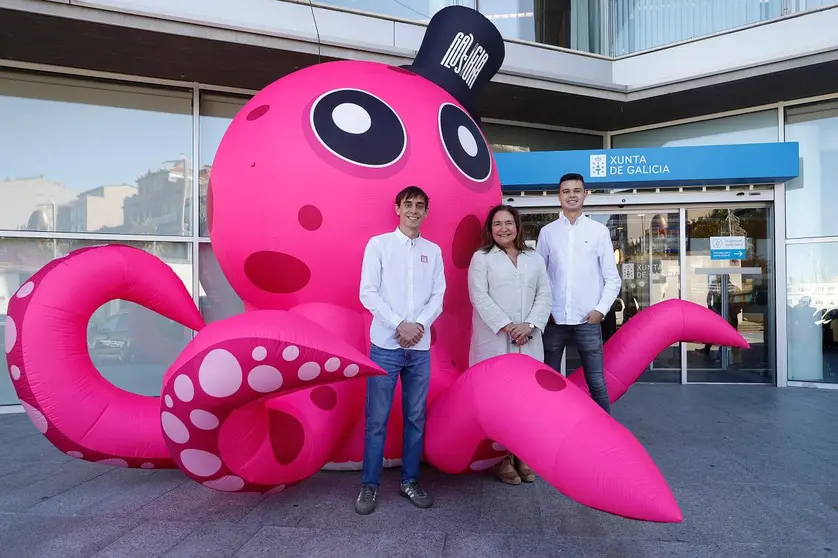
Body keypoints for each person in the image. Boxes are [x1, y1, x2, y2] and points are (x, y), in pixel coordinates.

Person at [355, 185, 446, 515]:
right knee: (376, 419)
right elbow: (368, 292)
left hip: (419, 349)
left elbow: (438, 296)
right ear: (397, 208)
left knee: (415, 418)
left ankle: (410, 480)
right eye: (408, 204)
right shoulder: (378, 245)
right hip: (385, 346)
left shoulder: (432, 251)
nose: (414, 210)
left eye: (420, 205)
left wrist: (417, 326)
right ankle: (370, 485)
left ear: (426, 212)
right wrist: (399, 324)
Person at [467, 204, 552, 485]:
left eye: (508, 223)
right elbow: (479, 297)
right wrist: (507, 326)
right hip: (495, 339)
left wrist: (528, 325)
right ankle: (501, 457)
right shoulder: (481, 258)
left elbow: (545, 295)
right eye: (497, 224)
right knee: (499, 400)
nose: (503, 228)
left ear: (517, 227)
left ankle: (523, 454)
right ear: (490, 230)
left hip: (528, 338)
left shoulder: (534, 258)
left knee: (526, 400)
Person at [536, 173, 621, 414]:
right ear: (559, 196)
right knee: (547, 383)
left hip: (587, 320)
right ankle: (548, 430)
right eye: (566, 191)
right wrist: (544, 312)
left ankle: (605, 436)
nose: (571, 195)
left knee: (596, 383)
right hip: (554, 321)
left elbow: (612, 279)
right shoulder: (548, 232)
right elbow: (539, 276)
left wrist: (600, 311)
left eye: (576, 190)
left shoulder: (598, 231)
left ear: (585, 194)